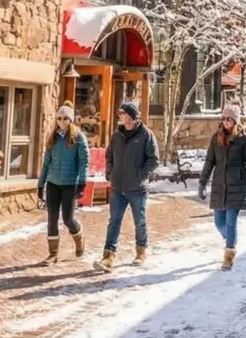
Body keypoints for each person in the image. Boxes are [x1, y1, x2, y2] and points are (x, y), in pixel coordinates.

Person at [96, 102, 159, 271]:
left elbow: (154, 159)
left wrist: (141, 175)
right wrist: (110, 172)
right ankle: (108, 256)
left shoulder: (146, 135)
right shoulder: (116, 135)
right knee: (114, 221)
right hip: (117, 187)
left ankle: (140, 251)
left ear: (131, 115)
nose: (120, 115)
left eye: (122, 112)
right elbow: (109, 155)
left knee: (140, 222)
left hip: (137, 189)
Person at [198, 106, 246, 270]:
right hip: (219, 186)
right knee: (219, 222)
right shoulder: (216, 138)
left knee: (231, 221)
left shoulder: (244, 140)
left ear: (235, 121)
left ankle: (229, 255)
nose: (225, 122)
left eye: (229, 119)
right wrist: (202, 182)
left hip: (237, 186)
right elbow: (209, 162)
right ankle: (230, 241)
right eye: (224, 118)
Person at [37, 104, 89, 265]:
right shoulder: (53, 137)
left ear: (71, 120)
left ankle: (79, 237)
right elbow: (46, 163)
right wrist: (41, 184)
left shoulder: (78, 137)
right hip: (53, 183)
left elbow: (84, 162)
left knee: (67, 219)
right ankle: (53, 254)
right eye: (59, 118)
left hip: (70, 183)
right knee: (52, 218)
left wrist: (82, 183)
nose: (62, 121)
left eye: (65, 118)